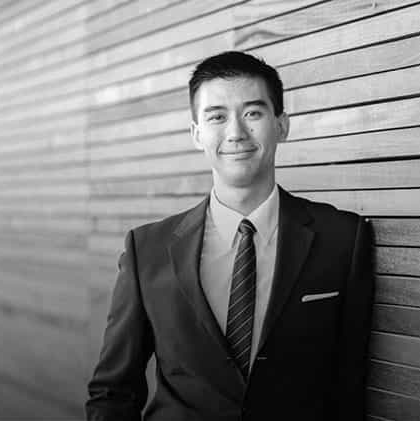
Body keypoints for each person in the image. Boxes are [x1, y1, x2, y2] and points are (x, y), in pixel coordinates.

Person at [85, 51, 374, 421]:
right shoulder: (147, 251)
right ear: (196, 134)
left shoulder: (343, 239)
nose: (236, 133)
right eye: (217, 117)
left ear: (282, 125)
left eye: (252, 113)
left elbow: (349, 388)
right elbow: (112, 392)